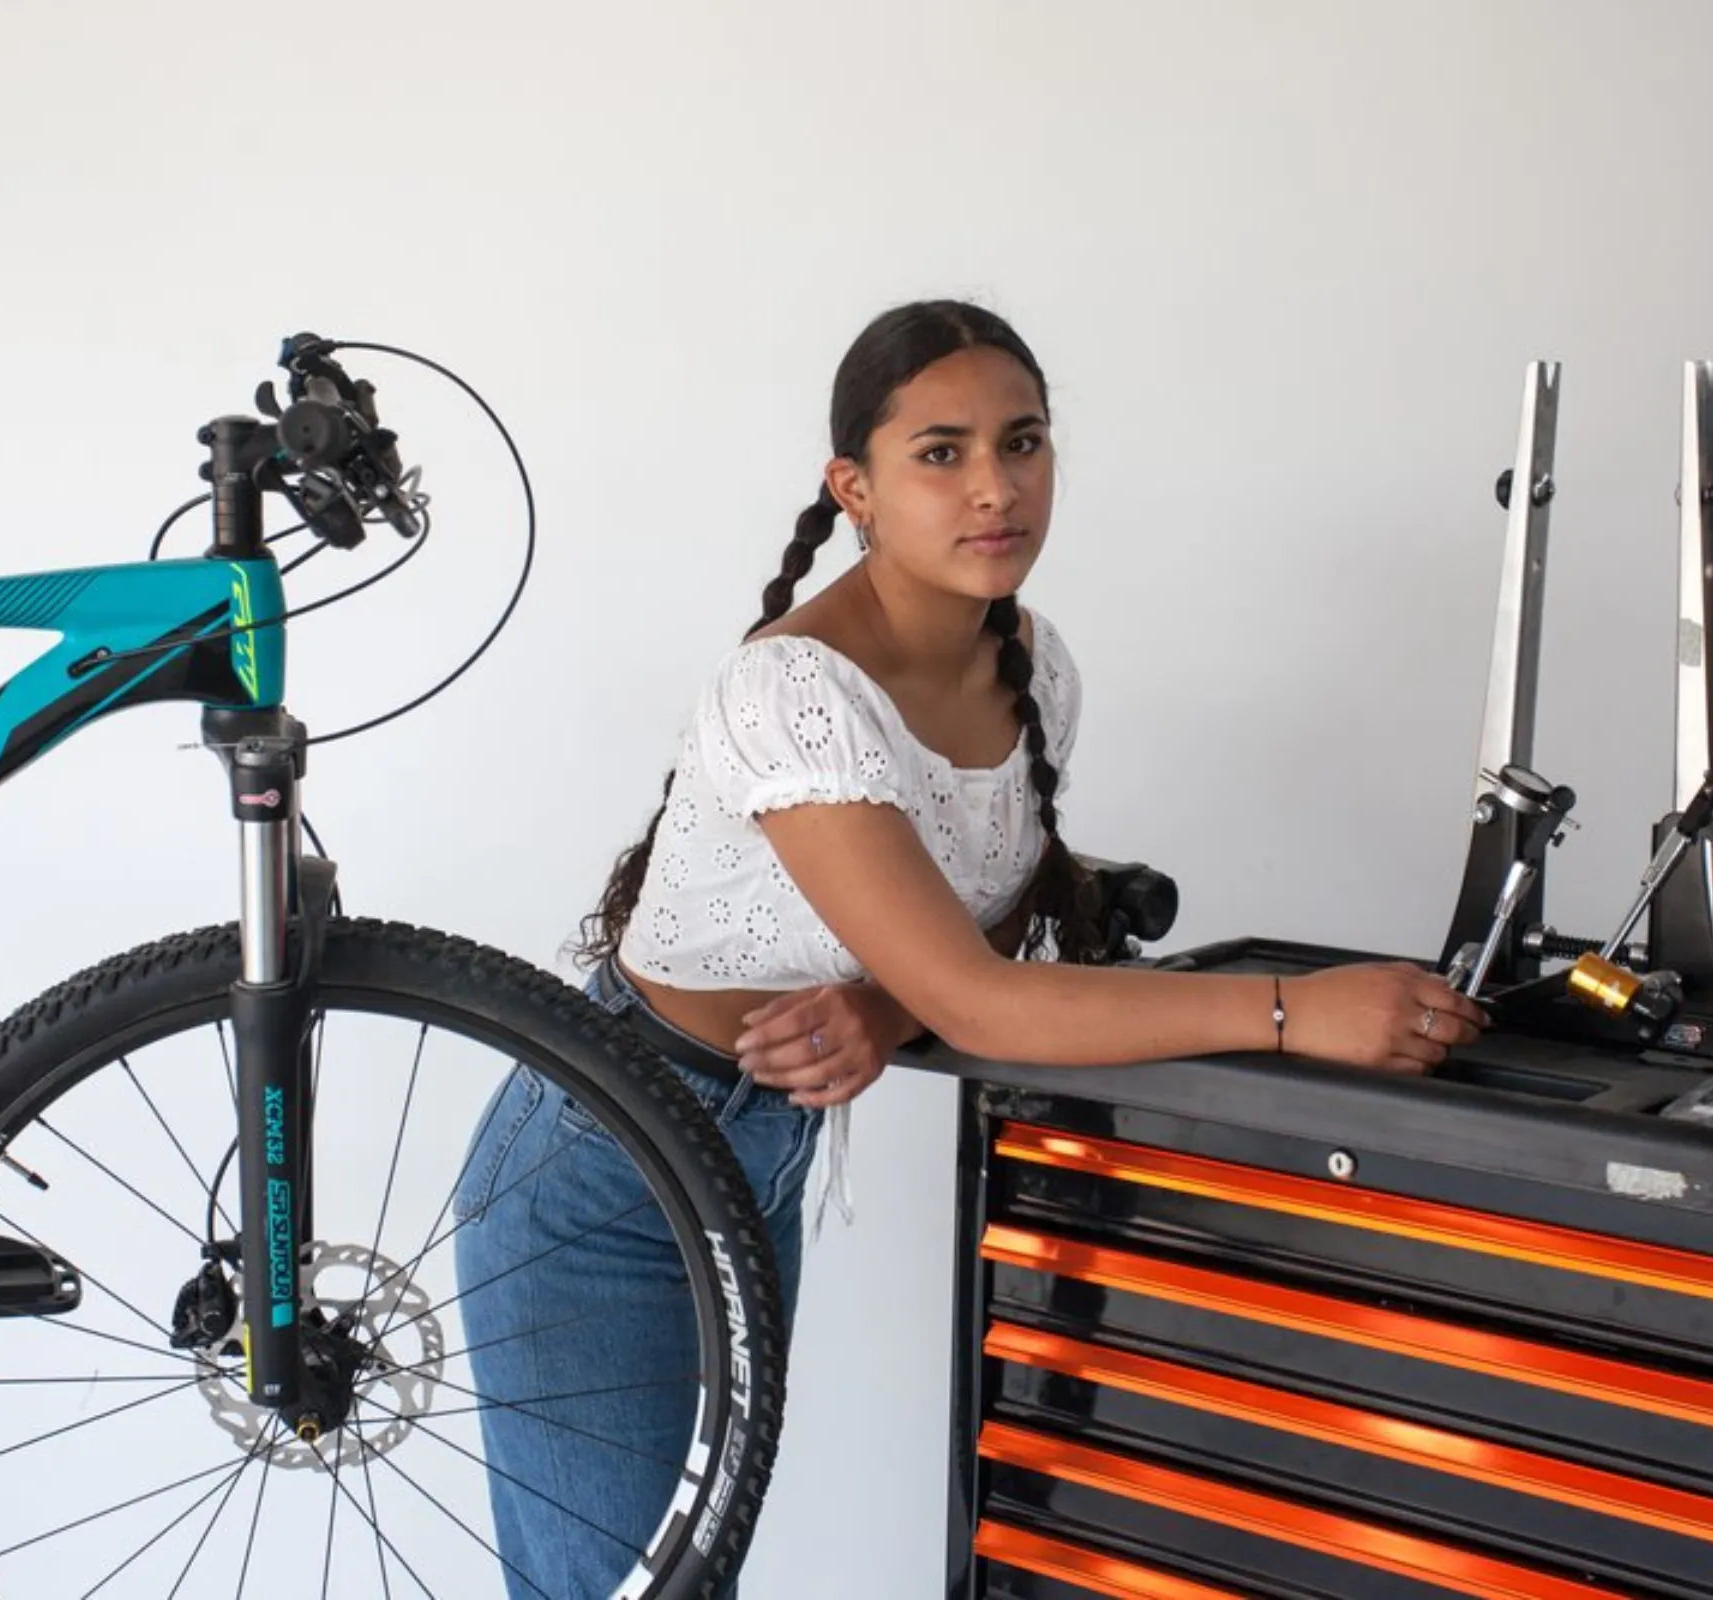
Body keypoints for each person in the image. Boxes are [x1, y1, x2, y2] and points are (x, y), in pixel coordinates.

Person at [449, 298, 1487, 1597]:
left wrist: (883, 1014)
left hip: (758, 1144)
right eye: (940, 452)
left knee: (691, 1575)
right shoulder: (794, 689)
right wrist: (1289, 1010)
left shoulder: (1034, 669)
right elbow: (984, 1000)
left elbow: (984, 909)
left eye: (1024, 441)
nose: (995, 487)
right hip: (599, 1162)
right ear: (856, 489)